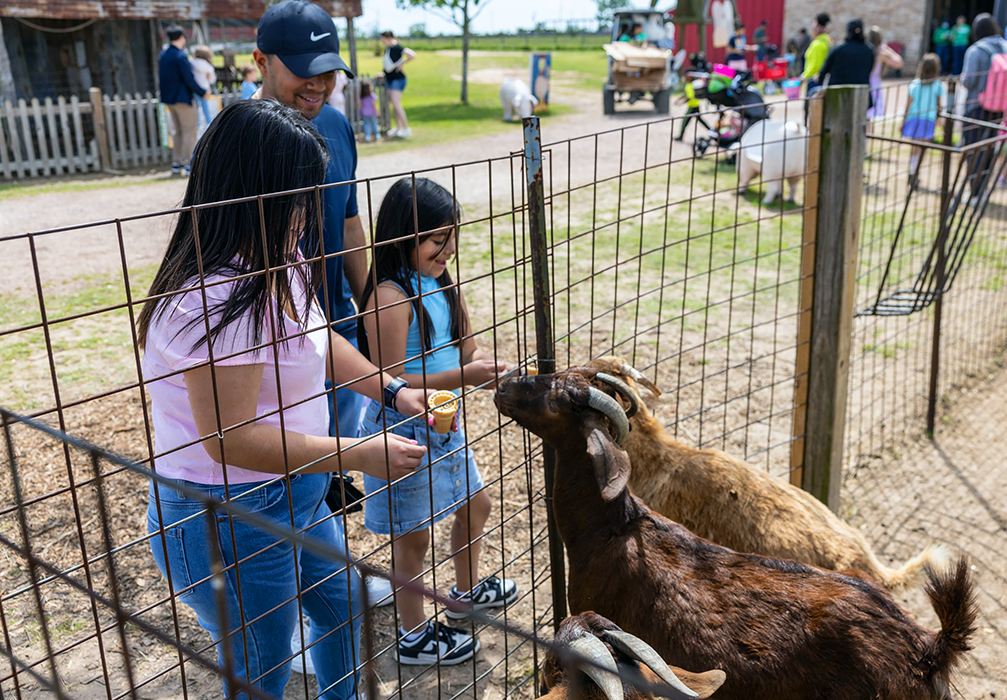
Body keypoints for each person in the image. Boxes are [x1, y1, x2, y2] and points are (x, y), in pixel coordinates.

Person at [138, 99, 430, 700]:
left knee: (344, 609)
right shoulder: (211, 299)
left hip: (293, 494)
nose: (313, 210)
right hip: (229, 514)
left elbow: (321, 340)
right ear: (260, 193)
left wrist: (394, 390)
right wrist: (358, 452)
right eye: (303, 194)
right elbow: (232, 441)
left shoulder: (279, 258)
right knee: (261, 668)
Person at [357, 177, 519, 666]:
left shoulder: (443, 285)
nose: (448, 249)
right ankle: (413, 637)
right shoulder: (388, 297)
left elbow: (467, 349)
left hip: (443, 420)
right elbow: (392, 378)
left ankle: (465, 594)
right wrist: (466, 374)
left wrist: (487, 369)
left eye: (452, 238)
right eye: (437, 240)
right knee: (414, 535)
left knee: (478, 505)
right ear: (403, 236)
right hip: (400, 425)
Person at [961, 13, 1007, 201]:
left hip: (976, 107)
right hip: (998, 108)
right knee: (988, 149)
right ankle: (982, 192)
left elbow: (969, 82)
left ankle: (974, 192)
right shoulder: (1005, 46)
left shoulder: (975, 50)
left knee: (973, 150)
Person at [158, 25, 208, 177]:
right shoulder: (180, 56)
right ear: (181, 38)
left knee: (177, 132)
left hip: (169, 99)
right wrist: (203, 91)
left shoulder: (163, 55)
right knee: (189, 131)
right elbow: (188, 78)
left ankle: (176, 163)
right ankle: (188, 164)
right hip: (183, 99)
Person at [901, 53, 945, 178]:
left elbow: (908, 105)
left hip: (914, 118)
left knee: (914, 146)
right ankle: (916, 169)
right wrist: (939, 119)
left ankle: (912, 168)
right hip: (928, 119)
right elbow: (939, 106)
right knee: (923, 147)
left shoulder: (914, 84)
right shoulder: (937, 85)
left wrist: (903, 120)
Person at [818, 19, 875, 94]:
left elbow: (824, 70)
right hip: (861, 94)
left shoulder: (838, 49)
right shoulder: (869, 50)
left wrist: (820, 84)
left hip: (837, 95)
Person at [381, 31, 416, 138]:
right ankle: (399, 127)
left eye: (383, 39)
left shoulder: (397, 48)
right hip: (390, 79)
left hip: (398, 79)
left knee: (396, 103)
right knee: (394, 105)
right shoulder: (388, 49)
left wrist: (402, 64)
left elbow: (412, 55)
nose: (382, 42)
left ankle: (406, 128)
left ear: (389, 38)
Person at [865, 26, 904, 123]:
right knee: (871, 116)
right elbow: (899, 62)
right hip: (874, 84)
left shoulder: (864, 49)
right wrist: (888, 49)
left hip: (864, 82)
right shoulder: (882, 53)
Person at [802, 13, 831, 97]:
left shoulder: (817, 44)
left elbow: (815, 66)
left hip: (814, 80)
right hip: (824, 79)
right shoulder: (828, 41)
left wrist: (803, 77)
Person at [189, 45, 217, 131]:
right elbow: (212, 80)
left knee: (196, 107)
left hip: (195, 88)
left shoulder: (191, 63)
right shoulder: (208, 66)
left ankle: (198, 124)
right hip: (205, 89)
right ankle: (209, 124)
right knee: (206, 108)